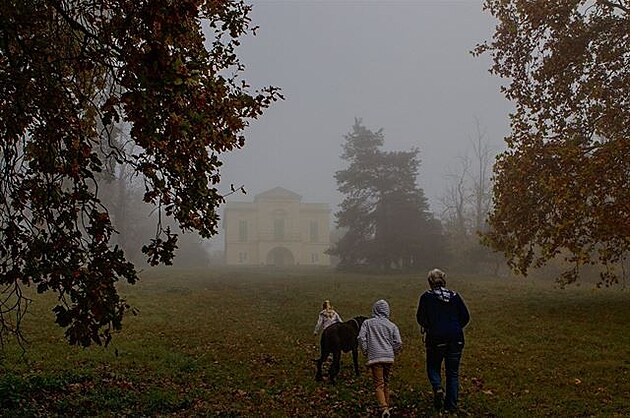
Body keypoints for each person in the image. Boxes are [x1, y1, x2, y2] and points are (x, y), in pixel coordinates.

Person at [416, 268, 470, 414]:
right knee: (452, 372)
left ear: (430, 282)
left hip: (436, 338)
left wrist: (429, 326)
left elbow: (420, 317)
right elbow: (465, 316)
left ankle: (438, 387)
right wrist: (456, 327)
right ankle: (451, 406)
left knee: (433, 366)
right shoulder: (455, 296)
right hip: (456, 338)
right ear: (444, 281)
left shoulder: (426, 297)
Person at [358, 299, 403, 418]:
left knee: (378, 384)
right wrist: (393, 352)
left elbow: (361, 338)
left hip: (375, 357)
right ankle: (386, 405)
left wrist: (366, 351)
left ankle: (383, 409)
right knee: (386, 383)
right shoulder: (392, 325)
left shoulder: (367, 323)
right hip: (388, 357)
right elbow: (398, 342)